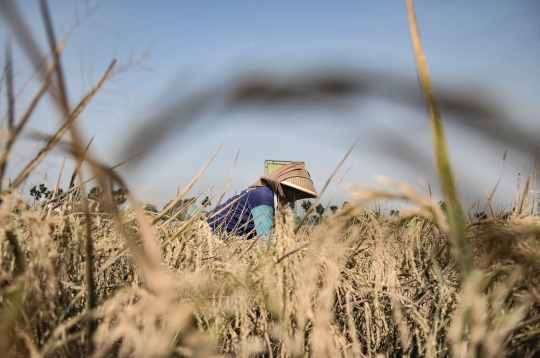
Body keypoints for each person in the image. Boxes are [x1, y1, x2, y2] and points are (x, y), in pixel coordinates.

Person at [207, 162, 317, 241]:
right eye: (296, 191)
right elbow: (264, 241)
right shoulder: (264, 197)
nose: (297, 196)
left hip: (226, 238)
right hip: (210, 234)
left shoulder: (270, 197)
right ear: (285, 187)